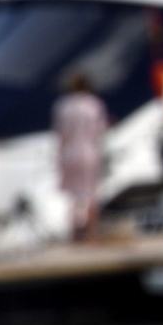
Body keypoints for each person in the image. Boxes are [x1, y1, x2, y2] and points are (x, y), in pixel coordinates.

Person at [53, 73, 108, 241]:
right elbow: (99, 131)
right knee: (91, 193)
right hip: (89, 152)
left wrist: (59, 157)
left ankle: (75, 233)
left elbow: (61, 134)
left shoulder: (63, 106)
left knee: (73, 196)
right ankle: (92, 233)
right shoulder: (94, 105)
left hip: (69, 153)